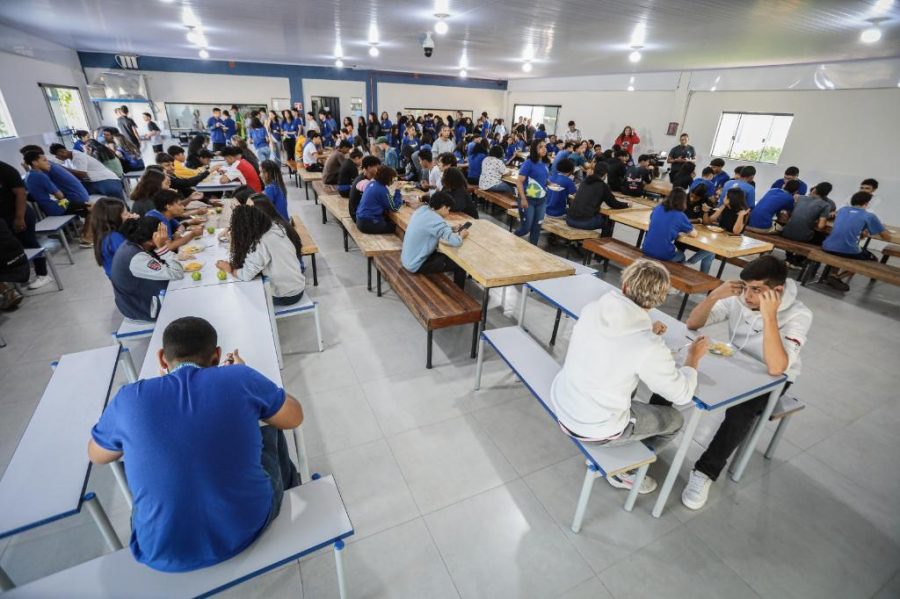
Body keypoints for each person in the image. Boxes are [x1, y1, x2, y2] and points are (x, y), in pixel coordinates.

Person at [88, 315, 302, 572]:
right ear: (217, 356)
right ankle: (292, 488)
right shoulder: (239, 378)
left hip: (159, 550)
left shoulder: (129, 399)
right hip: (248, 524)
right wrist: (243, 375)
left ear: (161, 359)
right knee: (270, 427)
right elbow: (294, 416)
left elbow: (97, 455)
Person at [551, 259, 706, 493]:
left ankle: (621, 453)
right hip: (592, 426)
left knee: (620, 379)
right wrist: (693, 358)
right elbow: (682, 394)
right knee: (675, 421)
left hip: (563, 401)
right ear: (660, 299)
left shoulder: (592, 309)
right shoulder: (646, 345)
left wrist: (648, 331)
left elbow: (612, 346)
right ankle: (625, 469)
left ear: (623, 287)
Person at [679, 256, 811, 509]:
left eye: (757, 290)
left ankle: (705, 472)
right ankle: (651, 437)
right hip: (735, 361)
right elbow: (693, 323)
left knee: (742, 412)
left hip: (773, 377)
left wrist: (769, 316)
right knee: (682, 367)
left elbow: (776, 367)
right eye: (745, 287)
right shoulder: (742, 296)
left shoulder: (800, 314)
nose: (748, 296)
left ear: (777, 291)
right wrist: (713, 296)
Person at [216, 204, 305, 305]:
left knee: (241, 293)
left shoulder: (261, 242)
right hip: (298, 286)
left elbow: (246, 275)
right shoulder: (274, 227)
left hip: (286, 295)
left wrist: (230, 269)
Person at [108, 216, 186, 321]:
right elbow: (178, 273)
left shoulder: (134, 243)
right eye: (162, 235)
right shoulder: (136, 258)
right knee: (191, 303)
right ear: (151, 241)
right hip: (142, 308)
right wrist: (162, 247)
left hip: (139, 298)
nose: (167, 238)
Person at [821, 191, 891, 291]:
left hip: (827, 246)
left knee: (841, 248)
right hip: (847, 250)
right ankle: (836, 278)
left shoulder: (842, 210)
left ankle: (833, 274)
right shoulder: (869, 216)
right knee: (873, 260)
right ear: (867, 203)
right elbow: (886, 237)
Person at [0, 160, 53, 289]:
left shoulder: (5, 169)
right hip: (3, 220)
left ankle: (43, 275)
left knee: (30, 242)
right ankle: (18, 277)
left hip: (19, 214)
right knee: (11, 249)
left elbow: (21, 194)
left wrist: (19, 218)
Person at [22, 151, 93, 247]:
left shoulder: (29, 175)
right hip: (56, 207)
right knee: (92, 208)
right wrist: (63, 198)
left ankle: (84, 233)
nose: (48, 162)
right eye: (44, 160)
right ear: (35, 163)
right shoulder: (40, 176)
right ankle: (86, 238)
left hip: (50, 206)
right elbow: (60, 195)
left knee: (87, 205)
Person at [400, 191, 469, 288]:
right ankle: (459, 294)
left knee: (444, 257)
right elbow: (456, 242)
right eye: (448, 209)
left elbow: (432, 226)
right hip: (416, 264)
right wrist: (462, 235)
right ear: (444, 207)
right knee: (461, 264)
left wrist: (450, 228)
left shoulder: (422, 210)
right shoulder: (437, 221)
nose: (448, 212)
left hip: (407, 258)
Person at [642, 188, 715, 273]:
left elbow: (654, 222)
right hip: (663, 254)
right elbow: (694, 234)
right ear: (683, 201)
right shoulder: (680, 215)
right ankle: (669, 274)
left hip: (645, 248)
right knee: (682, 256)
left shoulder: (658, 208)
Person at [566, 161, 630, 235]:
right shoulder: (603, 186)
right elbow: (614, 204)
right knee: (607, 219)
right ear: (605, 174)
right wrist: (627, 204)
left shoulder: (584, 181)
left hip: (570, 219)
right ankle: (603, 242)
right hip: (585, 222)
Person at [48, 143, 125, 199]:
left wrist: (61, 168)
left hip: (106, 181)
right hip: (100, 181)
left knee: (119, 205)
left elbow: (82, 175)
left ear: (61, 151)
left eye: (57, 155)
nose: (57, 157)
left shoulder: (78, 156)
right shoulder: (71, 158)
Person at [514, 139, 551, 245]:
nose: (544, 149)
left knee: (537, 227)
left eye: (545, 146)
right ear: (535, 149)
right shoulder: (528, 163)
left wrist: (550, 184)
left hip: (541, 200)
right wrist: (523, 199)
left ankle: (533, 249)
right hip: (528, 200)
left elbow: (542, 178)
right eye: (541, 147)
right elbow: (519, 182)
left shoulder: (544, 163)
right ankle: (512, 237)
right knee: (526, 228)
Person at [781, 182, 835, 250]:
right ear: (827, 194)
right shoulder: (826, 205)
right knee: (824, 239)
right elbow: (820, 226)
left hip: (785, 232)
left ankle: (791, 256)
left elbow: (791, 213)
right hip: (803, 237)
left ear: (815, 189)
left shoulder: (800, 197)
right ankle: (803, 259)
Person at [91, 197, 134, 277]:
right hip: (128, 280)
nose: (129, 215)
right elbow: (134, 258)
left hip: (119, 281)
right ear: (114, 218)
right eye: (125, 214)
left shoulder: (103, 235)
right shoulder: (114, 238)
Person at [355, 165, 403, 234]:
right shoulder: (382, 189)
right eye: (392, 178)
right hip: (368, 223)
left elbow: (385, 200)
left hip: (360, 219)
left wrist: (401, 200)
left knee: (388, 220)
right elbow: (395, 208)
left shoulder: (372, 183)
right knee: (397, 228)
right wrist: (398, 191)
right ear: (387, 178)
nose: (393, 181)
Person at [349, 155, 381, 222]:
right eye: (377, 167)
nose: (379, 170)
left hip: (358, 213)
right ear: (369, 168)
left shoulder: (363, 177)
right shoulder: (363, 182)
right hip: (358, 216)